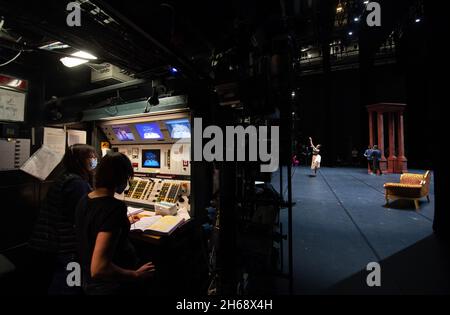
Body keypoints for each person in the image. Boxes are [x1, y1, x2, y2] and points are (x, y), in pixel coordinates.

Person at [75, 152, 155, 295]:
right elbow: (99, 268)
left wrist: (123, 223)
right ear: (121, 179)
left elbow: (96, 226)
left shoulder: (85, 199)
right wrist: (135, 274)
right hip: (112, 286)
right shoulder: (114, 208)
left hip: (87, 282)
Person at [29, 144, 98, 294]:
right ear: (79, 161)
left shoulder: (67, 177)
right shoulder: (77, 184)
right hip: (64, 246)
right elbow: (81, 216)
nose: (94, 160)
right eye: (90, 157)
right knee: (69, 286)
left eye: (94, 156)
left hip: (51, 243)